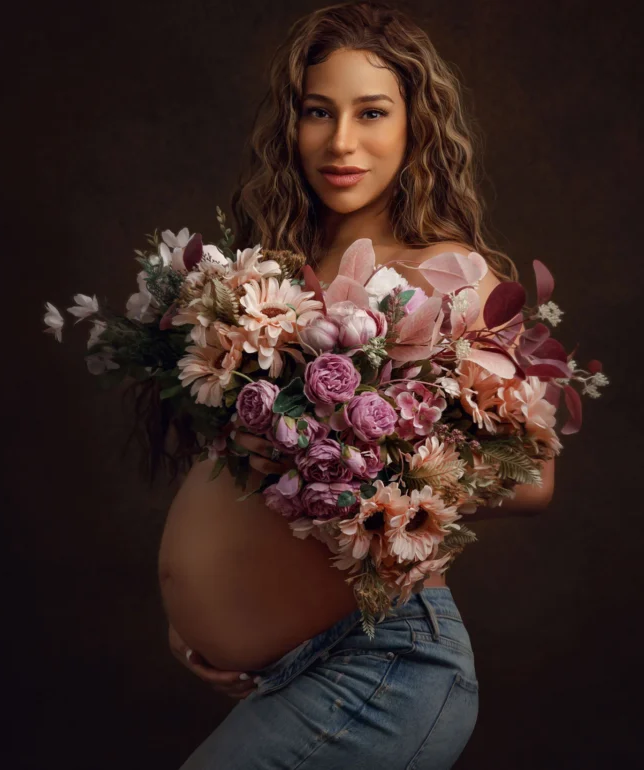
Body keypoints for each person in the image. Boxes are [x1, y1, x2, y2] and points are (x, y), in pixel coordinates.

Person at [156, 2, 555, 767]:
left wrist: (368, 464)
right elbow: (239, 471)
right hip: (287, 664)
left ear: (415, 127)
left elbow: (533, 475)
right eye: (317, 112)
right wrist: (208, 610)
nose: (341, 142)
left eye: (371, 112)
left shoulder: (452, 273)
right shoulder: (271, 270)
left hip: (386, 661)